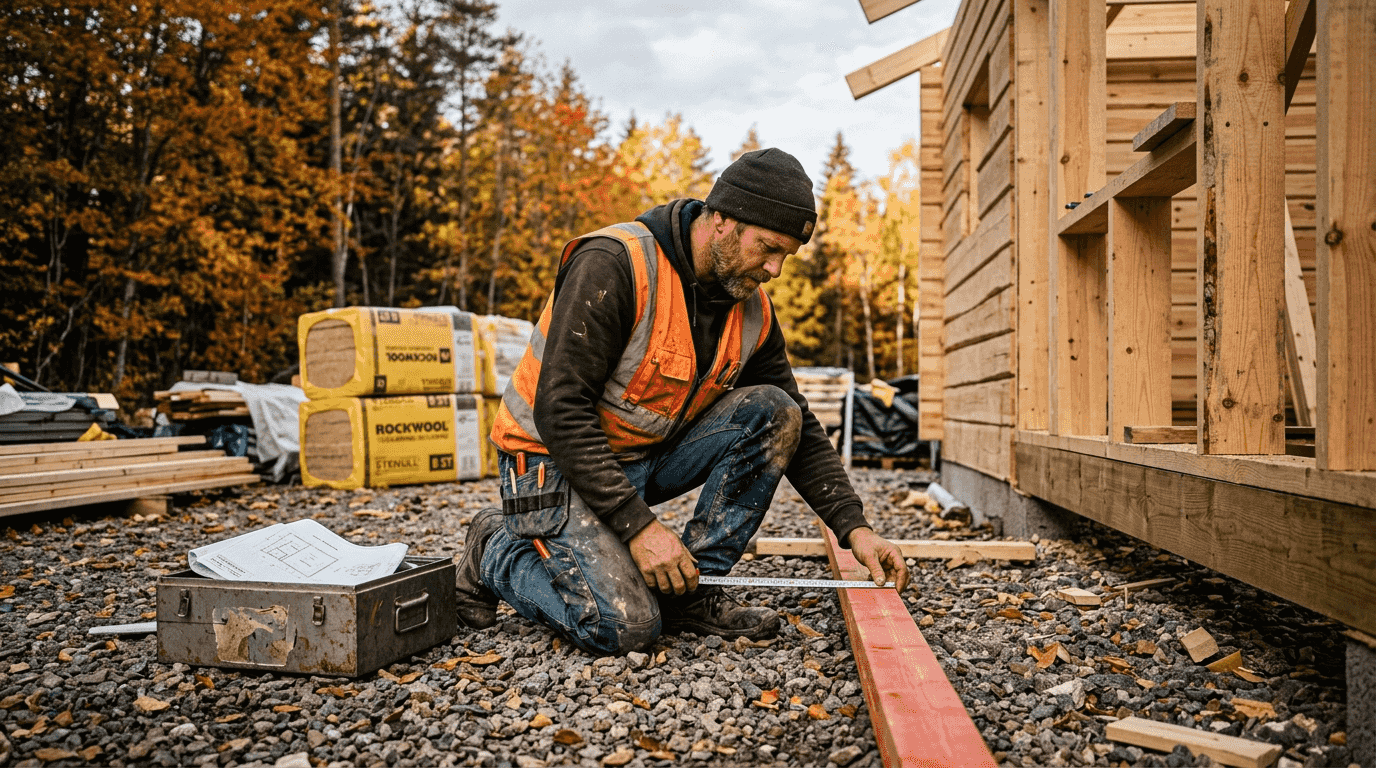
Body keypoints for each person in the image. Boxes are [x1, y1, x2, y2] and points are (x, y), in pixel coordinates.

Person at [456, 147, 910, 655]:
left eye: (786, 255)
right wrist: (640, 528)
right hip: (546, 463)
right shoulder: (614, 264)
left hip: (633, 459)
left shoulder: (752, 310)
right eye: (768, 248)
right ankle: (494, 548)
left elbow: (796, 422)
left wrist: (856, 529)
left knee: (776, 411)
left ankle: (695, 594)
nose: (776, 270)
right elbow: (559, 410)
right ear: (721, 220)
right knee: (624, 628)